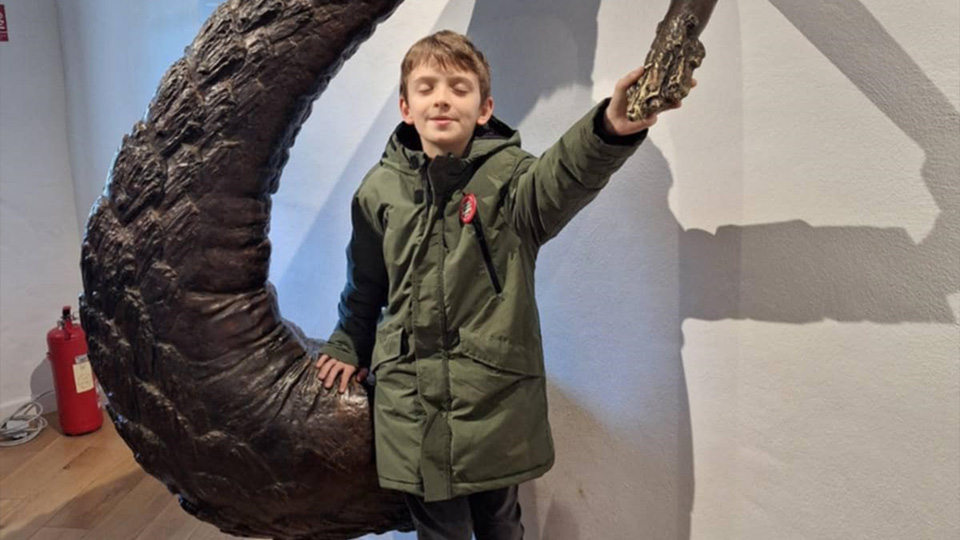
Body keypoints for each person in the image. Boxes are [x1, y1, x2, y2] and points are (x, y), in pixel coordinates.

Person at [315, 30, 689, 540]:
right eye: (426, 88)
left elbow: (563, 175)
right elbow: (366, 283)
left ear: (484, 108)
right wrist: (348, 343)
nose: (442, 99)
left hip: (494, 402)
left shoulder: (513, 182)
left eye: (459, 88)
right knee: (439, 532)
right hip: (412, 403)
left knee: (501, 525)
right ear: (405, 108)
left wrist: (608, 129)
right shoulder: (377, 191)